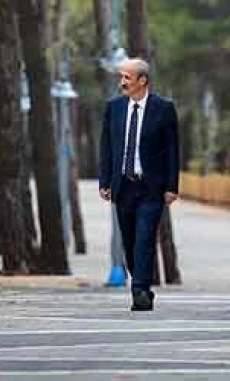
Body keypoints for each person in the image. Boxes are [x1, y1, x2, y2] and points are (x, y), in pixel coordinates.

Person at [98, 58, 180, 311]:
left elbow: (172, 150)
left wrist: (171, 186)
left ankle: (140, 290)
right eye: (121, 77)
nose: (122, 82)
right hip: (123, 186)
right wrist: (105, 180)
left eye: (127, 78)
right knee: (130, 242)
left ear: (142, 80)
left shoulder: (163, 109)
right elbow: (106, 148)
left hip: (150, 187)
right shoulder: (114, 108)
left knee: (145, 238)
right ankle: (140, 280)